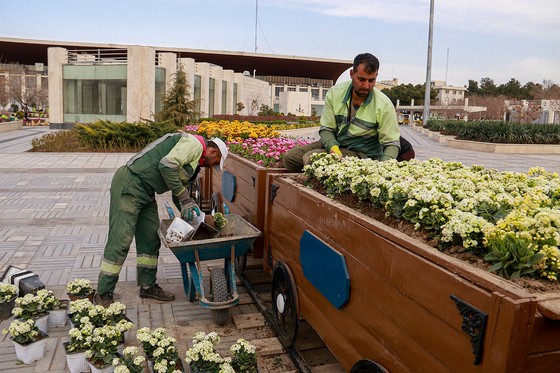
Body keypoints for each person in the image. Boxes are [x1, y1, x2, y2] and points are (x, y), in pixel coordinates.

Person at [94, 132, 228, 307]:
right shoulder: (194, 144)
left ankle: (147, 286)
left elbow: (177, 193)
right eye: (215, 163)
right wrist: (185, 200)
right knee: (121, 239)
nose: (211, 167)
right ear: (212, 152)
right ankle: (103, 293)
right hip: (130, 183)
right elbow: (166, 166)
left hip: (147, 191)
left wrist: (191, 214)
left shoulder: (194, 162)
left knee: (150, 237)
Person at [283, 53, 401, 172]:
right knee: (291, 158)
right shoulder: (335, 93)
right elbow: (327, 129)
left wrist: (381, 168)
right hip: (337, 143)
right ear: (352, 74)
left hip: (361, 153)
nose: (366, 85)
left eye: (371, 80)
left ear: (376, 76)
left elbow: (392, 143)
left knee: (311, 158)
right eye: (361, 79)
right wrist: (333, 148)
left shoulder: (384, 104)